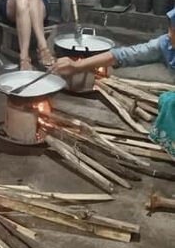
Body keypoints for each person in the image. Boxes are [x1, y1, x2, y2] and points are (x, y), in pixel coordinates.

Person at [52, 8, 175, 157]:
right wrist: (76, 66)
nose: (169, 34)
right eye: (170, 28)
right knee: (167, 101)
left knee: (170, 103)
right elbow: (123, 55)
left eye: (174, 31)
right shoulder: (166, 44)